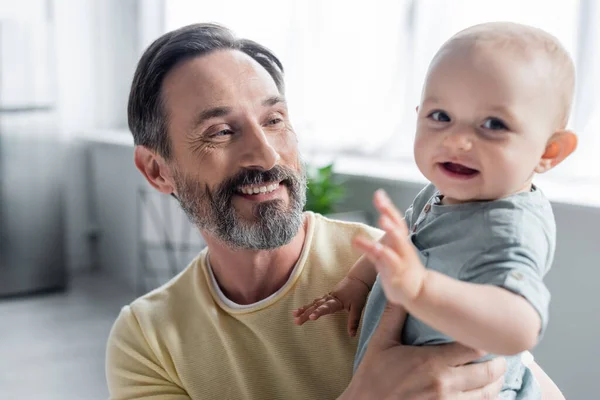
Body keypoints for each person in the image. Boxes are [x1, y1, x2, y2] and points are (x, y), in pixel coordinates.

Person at [106, 22, 564, 399]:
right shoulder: (148, 341)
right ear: (156, 170)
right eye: (222, 131)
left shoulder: (404, 259)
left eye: (274, 120)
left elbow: (523, 376)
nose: (266, 156)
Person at [294, 22, 575, 399]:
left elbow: (521, 328)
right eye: (440, 116)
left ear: (548, 152)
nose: (457, 140)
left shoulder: (510, 227)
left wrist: (423, 289)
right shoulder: (444, 190)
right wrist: (357, 284)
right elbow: (403, 246)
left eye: (493, 124)